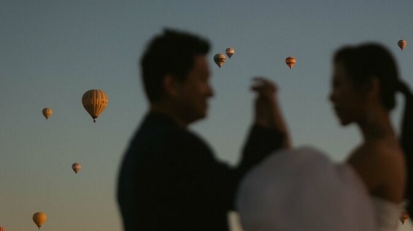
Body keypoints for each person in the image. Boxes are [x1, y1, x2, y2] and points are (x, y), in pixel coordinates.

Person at [236, 43, 413, 231]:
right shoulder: (382, 150)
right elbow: (302, 192)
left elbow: (299, 203)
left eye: (338, 85)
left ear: (370, 88)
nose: (331, 96)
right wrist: (274, 112)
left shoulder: (378, 154)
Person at [116, 29, 290, 231]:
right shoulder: (176, 147)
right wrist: (262, 126)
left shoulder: (139, 150)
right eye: (203, 80)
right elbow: (243, 190)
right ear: (171, 84)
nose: (211, 92)